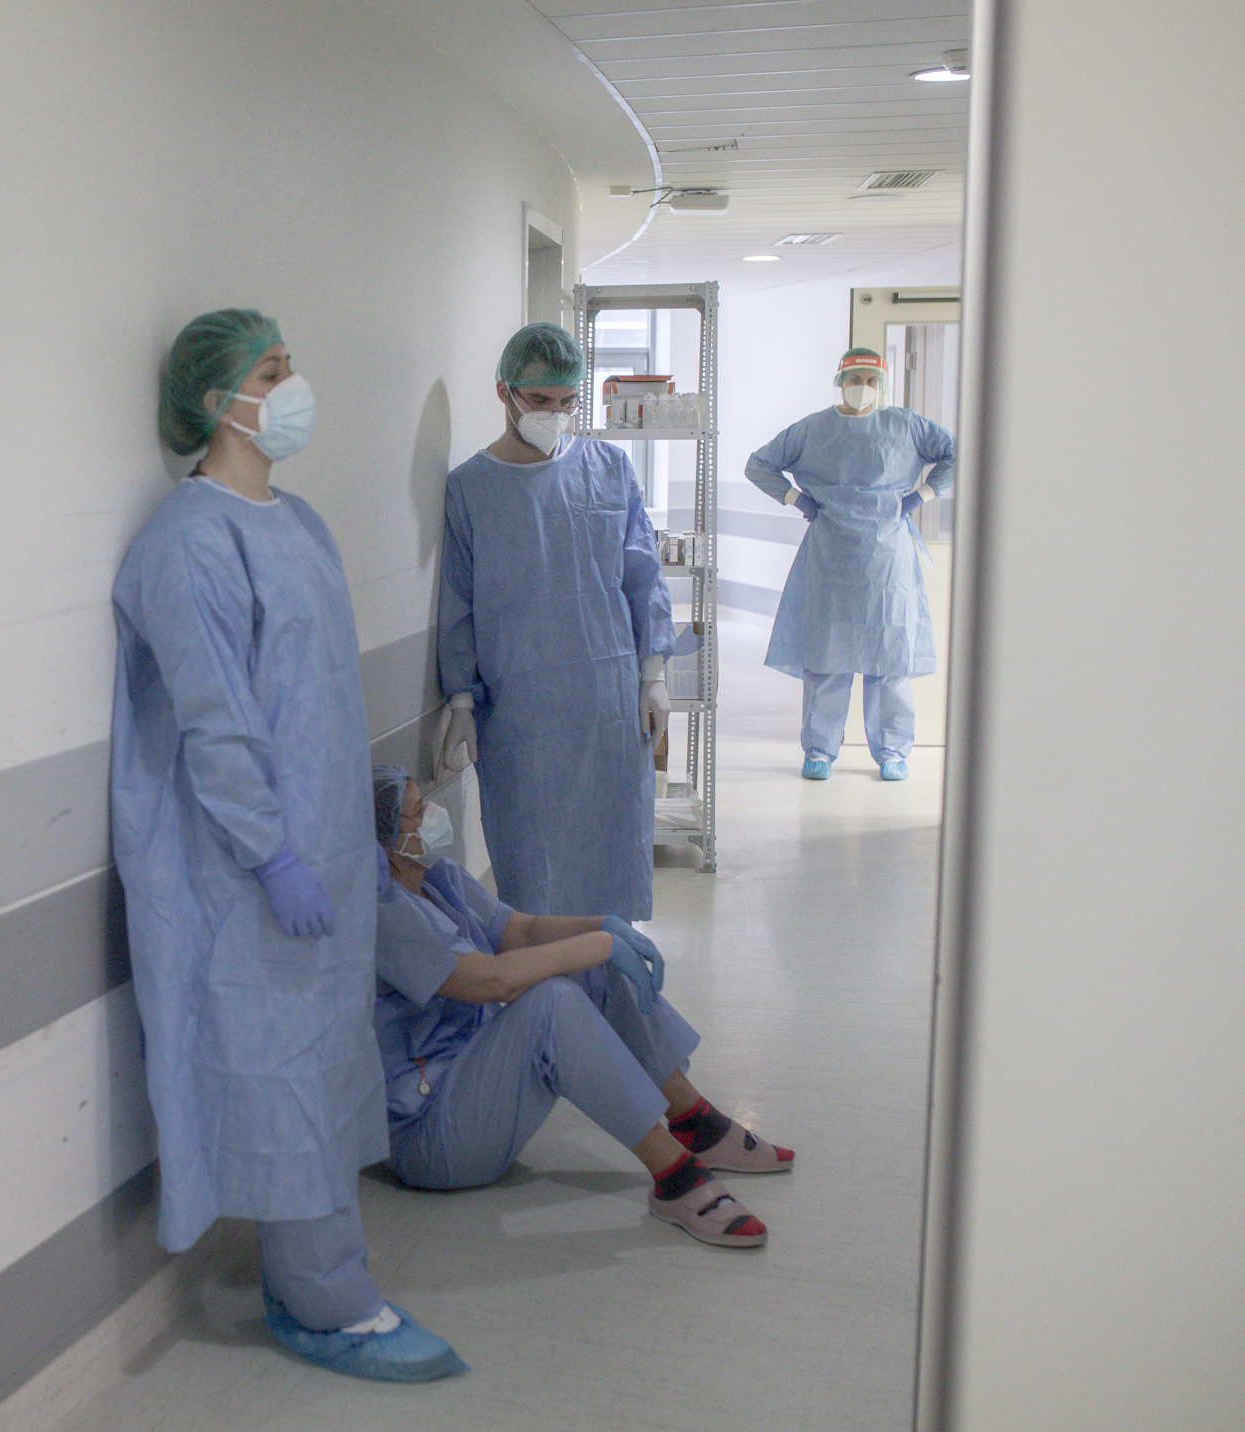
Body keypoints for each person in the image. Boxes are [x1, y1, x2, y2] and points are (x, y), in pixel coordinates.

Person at [112, 310, 464, 1383]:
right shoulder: (186, 544)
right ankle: (325, 1303)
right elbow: (216, 724)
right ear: (214, 400)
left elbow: (316, 699)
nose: (292, 388)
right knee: (279, 1078)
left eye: (288, 367)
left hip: (326, 862)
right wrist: (270, 853)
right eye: (271, 373)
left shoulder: (299, 524)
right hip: (246, 877)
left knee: (319, 1066)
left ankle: (311, 1276)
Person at [370, 766, 792, 1245]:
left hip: (473, 1081)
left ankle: (696, 1123)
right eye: (417, 813)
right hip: (432, 1136)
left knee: (591, 968)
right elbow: (490, 981)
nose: (433, 816)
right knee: (554, 1001)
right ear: (384, 845)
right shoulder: (385, 914)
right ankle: (676, 1177)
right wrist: (599, 945)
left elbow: (520, 930)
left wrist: (603, 926)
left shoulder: (437, 877)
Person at [437, 322, 675, 920]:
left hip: (608, 707)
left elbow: (642, 574)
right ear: (505, 392)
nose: (556, 414)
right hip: (522, 720)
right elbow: (458, 600)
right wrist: (461, 701)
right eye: (541, 400)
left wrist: (652, 675)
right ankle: (544, 977)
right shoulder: (470, 488)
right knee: (532, 873)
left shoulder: (608, 467)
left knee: (611, 861)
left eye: (568, 401)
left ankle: (610, 967)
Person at [746, 347, 957, 780]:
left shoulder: (906, 425)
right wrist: (796, 498)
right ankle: (819, 751)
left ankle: (893, 752)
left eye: (872, 380)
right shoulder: (813, 429)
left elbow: (956, 455)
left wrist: (921, 496)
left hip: (888, 558)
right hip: (832, 553)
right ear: (840, 383)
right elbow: (759, 465)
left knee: (890, 658)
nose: (864, 387)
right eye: (856, 379)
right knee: (828, 657)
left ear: (883, 384)